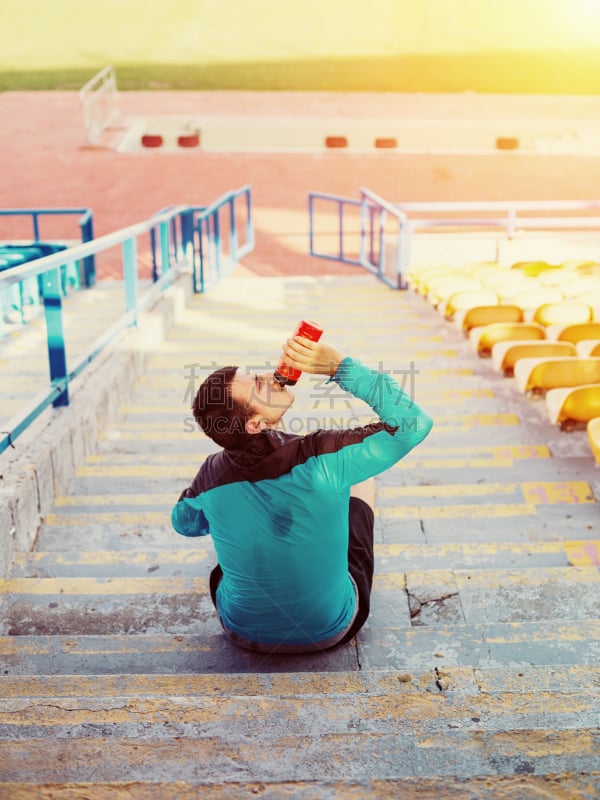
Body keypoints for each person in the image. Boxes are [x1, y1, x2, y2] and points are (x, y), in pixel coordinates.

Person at [171, 331, 433, 653]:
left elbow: (184, 523)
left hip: (239, 631)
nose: (270, 376)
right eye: (258, 384)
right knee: (363, 481)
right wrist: (339, 367)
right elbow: (413, 424)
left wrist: (215, 492)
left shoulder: (211, 474)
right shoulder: (322, 456)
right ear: (255, 425)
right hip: (332, 628)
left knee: (227, 555)